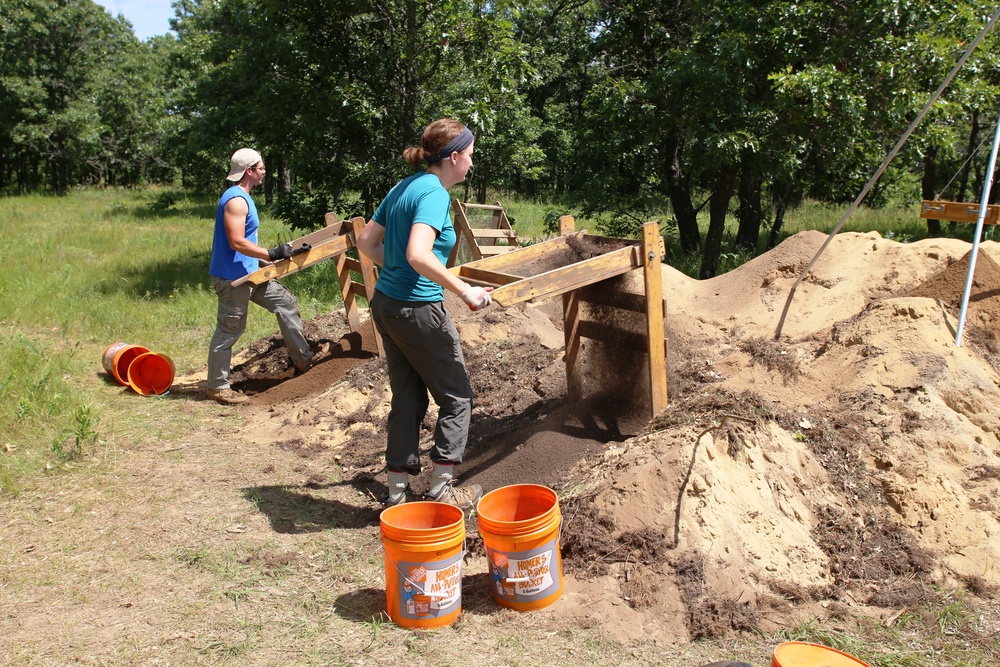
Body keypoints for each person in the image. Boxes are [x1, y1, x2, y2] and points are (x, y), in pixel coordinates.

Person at [356, 118, 492, 511]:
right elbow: (419, 253)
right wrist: (465, 290)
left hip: (386, 304)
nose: (471, 163)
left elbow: (367, 241)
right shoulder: (434, 193)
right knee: (457, 397)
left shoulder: (406, 185)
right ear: (453, 157)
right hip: (417, 309)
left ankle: (396, 493)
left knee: (408, 398)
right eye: (469, 156)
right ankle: (442, 491)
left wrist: (396, 267)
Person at [205, 148, 317, 405]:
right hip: (233, 280)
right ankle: (217, 386)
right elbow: (236, 241)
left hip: (251, 273)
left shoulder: (244, 198)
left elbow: (245, 244)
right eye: (261, 168)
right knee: (230, 329)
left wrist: (268, 259)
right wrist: (270, 250)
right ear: (249, 171)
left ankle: (303, 360)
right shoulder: (235, 200)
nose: (265, 172)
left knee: (285, 303)